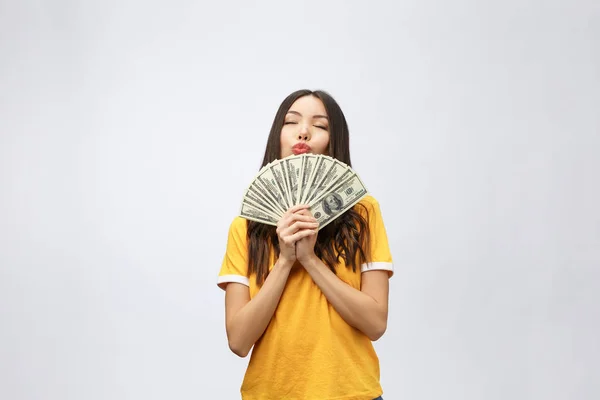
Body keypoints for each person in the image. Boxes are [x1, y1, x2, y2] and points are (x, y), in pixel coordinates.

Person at [217, 89, 394, 400]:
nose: (303, 131)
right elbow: (239, 341)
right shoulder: (244, 228)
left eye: (320, 125)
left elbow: (375, 323)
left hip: (352, 393)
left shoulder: (363, 213)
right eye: (292, 122)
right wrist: (285, 260)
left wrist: (310, 260)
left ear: (334, 140)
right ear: (278, 135)